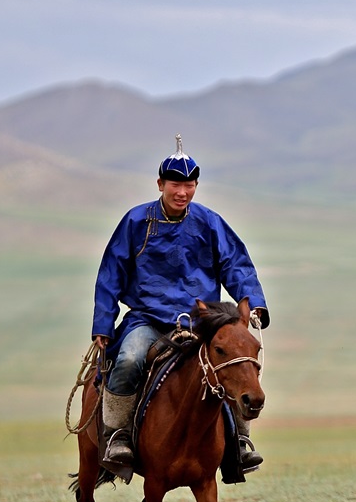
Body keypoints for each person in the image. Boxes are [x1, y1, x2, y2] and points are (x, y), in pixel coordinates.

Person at [91, 136, 270, 481]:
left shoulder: (209, 223)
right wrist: (103, 323)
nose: (182, 192)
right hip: (148, 318)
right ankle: (117, 437)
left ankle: (239, 442)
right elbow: (111, 272)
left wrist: (255, 303)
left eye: (189, 185)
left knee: (233, 362)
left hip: (199, 321)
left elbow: (236, 264)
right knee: (128, 359)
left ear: (195, 186)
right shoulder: (136, 222)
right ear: (161, 184)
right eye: (175, 184)